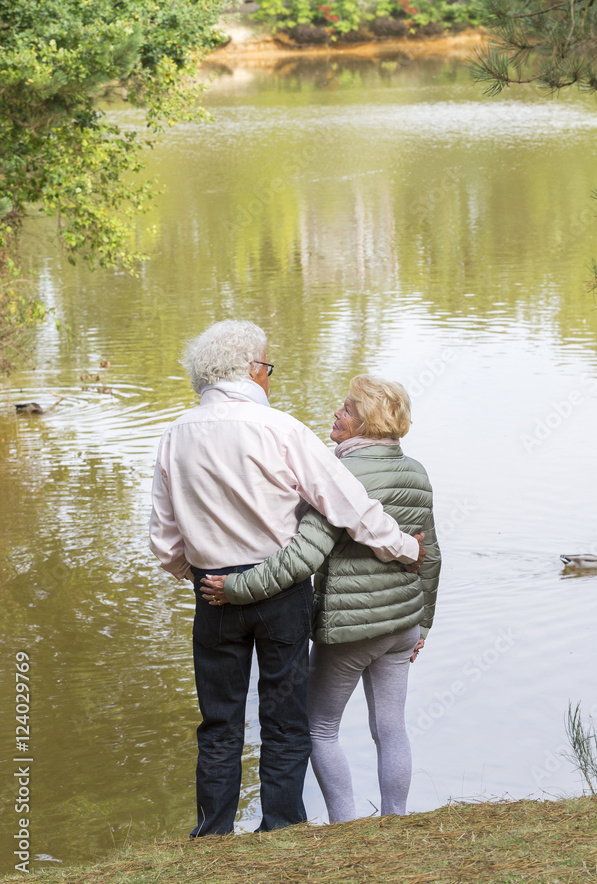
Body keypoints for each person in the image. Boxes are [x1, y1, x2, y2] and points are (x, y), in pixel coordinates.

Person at [149, 320, 424, 837]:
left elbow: (165, 544)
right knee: (284, 716)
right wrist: (407, 548)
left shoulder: (174, 434)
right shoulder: (282, 429)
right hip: (281, 594)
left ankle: (213, 835)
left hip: (213, 592)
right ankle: (281, 828)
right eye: (267, 367)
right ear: (251, 369)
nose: (269, 379)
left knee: (220, 720)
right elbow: (348, 505)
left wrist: (206, 573)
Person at [201, 374, 441, 823]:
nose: (337, 412)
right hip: (403, 627)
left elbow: (302, 557)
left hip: (354, 629)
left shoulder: (340, 474)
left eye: (347, 408)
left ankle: (345, 827)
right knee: (390, 728)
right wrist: (423, 624)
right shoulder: (416, 471)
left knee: (318, 727)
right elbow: (431, 555)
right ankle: (396, 822)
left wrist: (236, 589)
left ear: (365, 421)